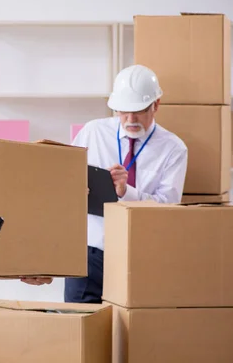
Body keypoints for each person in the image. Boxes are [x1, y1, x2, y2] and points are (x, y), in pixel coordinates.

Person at [22, 64, 188, 303]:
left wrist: (126, 192)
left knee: (134, 333)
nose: (130, 119)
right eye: (123, 111)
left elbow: (169, 209)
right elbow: (64, 191)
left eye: (139, 110)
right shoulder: (93, 132)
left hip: (142, 257)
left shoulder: (173, 148)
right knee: (79, 327)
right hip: (89, 255)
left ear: (156, 104)